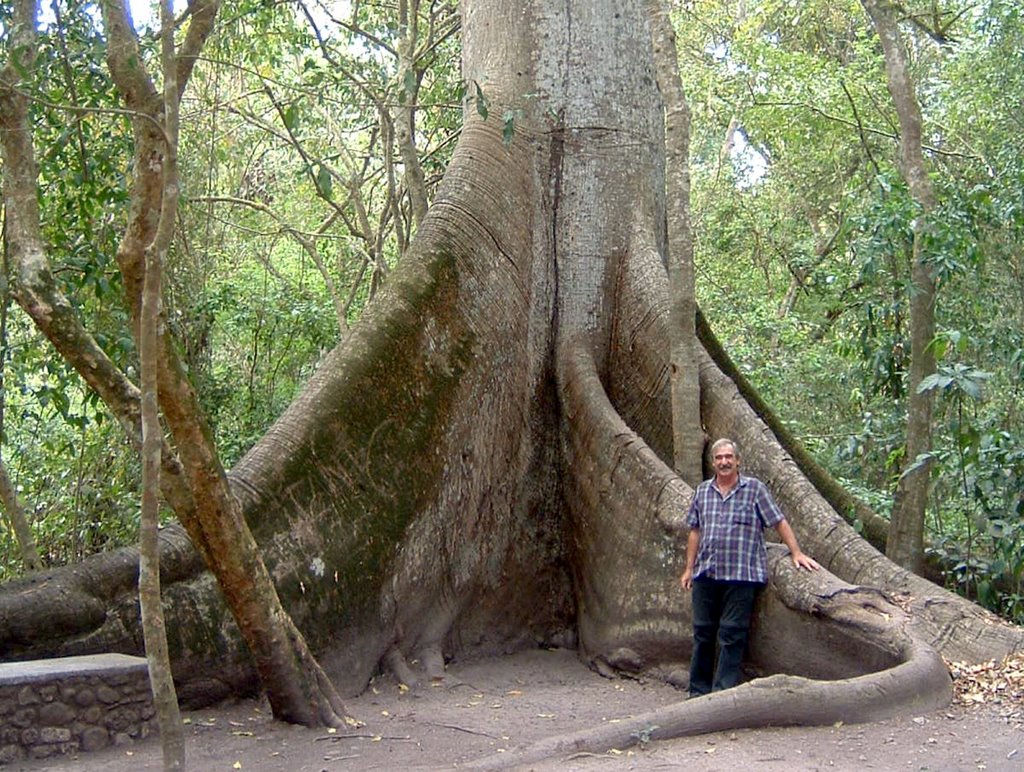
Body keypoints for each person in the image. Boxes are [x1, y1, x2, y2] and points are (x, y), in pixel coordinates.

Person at [680, 438, 819, 698]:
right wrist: (689, 568)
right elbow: (695, 531)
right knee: (702, 632)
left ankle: (722, 693)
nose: (724, 462)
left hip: (742, 574)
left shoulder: (754, 489)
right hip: (706, 573)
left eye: (728, 457)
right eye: (719, 458)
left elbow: (778, 521)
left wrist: (796, 552)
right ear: (713, 463)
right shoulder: (702, 491)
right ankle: (697, 693)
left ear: (738, 460)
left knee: (732, 633)